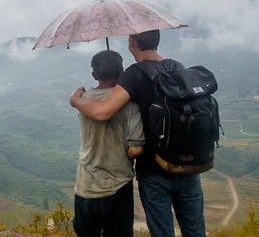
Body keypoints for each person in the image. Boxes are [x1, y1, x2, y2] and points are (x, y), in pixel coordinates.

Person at [70, 30, 206, 237]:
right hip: (187, 164)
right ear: (156, 40)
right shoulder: (177, 67)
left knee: (162, 233)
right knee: (195, 232)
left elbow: (103, 111)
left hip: (154, 170)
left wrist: (76, 101)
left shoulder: (133, 74)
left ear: (132, 42)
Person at [72, 50, 144, 237]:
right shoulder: (130, 103)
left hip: (85, 184)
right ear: (122, 71)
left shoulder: (82, 100)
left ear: (94, 75)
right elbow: (136, 149)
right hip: (117, 185)